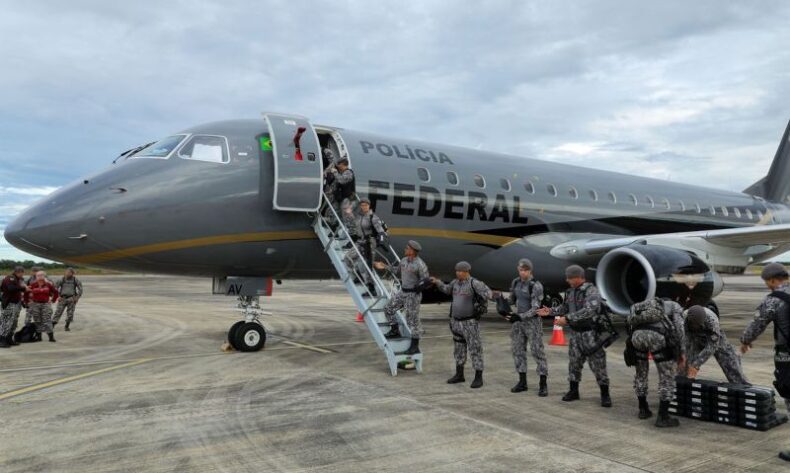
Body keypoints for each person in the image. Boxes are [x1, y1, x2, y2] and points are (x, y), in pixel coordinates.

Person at [538, 265, 612, 407]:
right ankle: (573, 391)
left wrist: (567, 319)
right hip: (576, 334)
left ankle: (605, 394)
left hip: (591, 335)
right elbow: (564, 308)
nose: (568, 280)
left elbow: (589, 311)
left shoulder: (591, 291)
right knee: (574, 364)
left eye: (570, 278)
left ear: (579, 277)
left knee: (598, 365)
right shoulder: (570, 292)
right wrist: (550, 311)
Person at [739, 262, 790, 462]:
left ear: (772, 280)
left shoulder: (774, 300)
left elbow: (757, 324)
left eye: (767, 282)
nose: (767, 286)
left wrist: (745, 340)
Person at [432, 261, 497, 389]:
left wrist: (500, 300)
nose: (457, 273)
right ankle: (459, 374)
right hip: (456, 322)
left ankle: (478, 377)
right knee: (459, 349)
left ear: (467, 271)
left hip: (470, 322)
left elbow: (488, 293)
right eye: (456, 271)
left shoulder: (474, 283)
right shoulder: (455, 283)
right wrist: (438, 282)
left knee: (475, 349)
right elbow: (446, 290)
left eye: (460, 271)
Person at [628, 298, 686, 427]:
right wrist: (682, 352)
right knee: (666, 376)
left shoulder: (642, 306)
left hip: (637, 337)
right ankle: (663, 416)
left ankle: (643, 409)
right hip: (657, 336)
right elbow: (680, 328)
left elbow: (630, 323)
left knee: (641, 374)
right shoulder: (674, 306)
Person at [375, 240, 429, 355]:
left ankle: (415, 346)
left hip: (413, 295)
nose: (405, 250)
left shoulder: (420, 264)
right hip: (402, 292)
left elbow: (426, 281)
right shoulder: (403, 261)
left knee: (412, 320)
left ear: (412, 251)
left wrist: (418, 289)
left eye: (407, 248)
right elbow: (396, 270)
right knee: (388, 308)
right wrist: (384, 266)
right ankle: (395, 330)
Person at [504, 258, 549, 396]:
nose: (522, 272)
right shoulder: (516, 282)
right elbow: (512, 299)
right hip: (518, 324)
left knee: (537, 352)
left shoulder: (536, 286)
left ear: (530, 270)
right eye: (520, 270)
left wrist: (520, 316)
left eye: (525, 270)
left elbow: (536, 308)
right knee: (518, 351)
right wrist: (499, 300)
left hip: (532, 323)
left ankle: (543, 384)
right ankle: (522, 382)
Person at [682, 305, 748, 383]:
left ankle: (741, 386)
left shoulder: (712, 320)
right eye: (694, 324)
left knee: (731, 365)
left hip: (715, 339)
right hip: (693, 338)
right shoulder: (683, 318)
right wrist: (683, 355)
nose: (696, 326)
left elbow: (712, 346)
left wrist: (696, 365)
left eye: (698, 324)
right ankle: (683, 386)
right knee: (684, 365)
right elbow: (682, 338)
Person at [355, 198, 387, 294]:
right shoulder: (360, 216)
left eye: (365, 205)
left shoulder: (373, 217)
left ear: (369, 206)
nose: (363, 207)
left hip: (369, 242)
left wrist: (381, 242)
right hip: (361, 241)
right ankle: (360, 276)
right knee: (352, 258)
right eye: (362, 205)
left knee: (368, 265)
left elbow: (381, 232)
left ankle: (372, 288)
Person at [25, 271, 59, 342]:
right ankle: (39, 337)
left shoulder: (48, 285)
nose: (40, 277)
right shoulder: (33, 284)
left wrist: (52, 300)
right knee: (37, 321)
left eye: (41, 275)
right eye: (38, 275)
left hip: (45, 304)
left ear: (44, 276)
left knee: (47, 320)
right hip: (35, 304)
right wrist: (27, 301)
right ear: (36, 277)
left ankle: (51, 337)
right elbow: (26, 292)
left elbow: (56, 292)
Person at [324, 156, 356, 231]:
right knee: (332, 212)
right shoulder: (341, 173)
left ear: (343, 164)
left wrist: (335, 172)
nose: (338, 165)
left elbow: (341, 181)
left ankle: (352, 232)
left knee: (346, 215)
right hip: (339, 198)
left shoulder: (348, 173)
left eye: (339, 164)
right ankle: (333, 226)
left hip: (346, 199)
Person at [0, 266, 27, 348]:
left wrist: (22, 302)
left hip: (15, 303)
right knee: (6, 322)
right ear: (18, 272)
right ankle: (2, 340)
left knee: (13, 322)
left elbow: (17, 293)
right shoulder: (10, 278)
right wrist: (23, 288)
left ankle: (9, 338)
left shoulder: (18, 280)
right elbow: (11, 288)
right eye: (22, 273)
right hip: (9, 304)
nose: (22, 275)